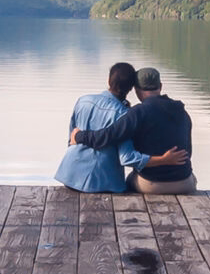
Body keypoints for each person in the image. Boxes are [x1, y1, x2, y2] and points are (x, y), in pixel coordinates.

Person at [55, 62, 187, 192]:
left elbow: (71, 139)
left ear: (108, 80)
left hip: (68, 174)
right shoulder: (124, 114)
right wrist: (163, 160)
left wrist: (78, 137)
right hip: (101, 183)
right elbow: (128, 158)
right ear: (131, 89)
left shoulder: (83, 100)